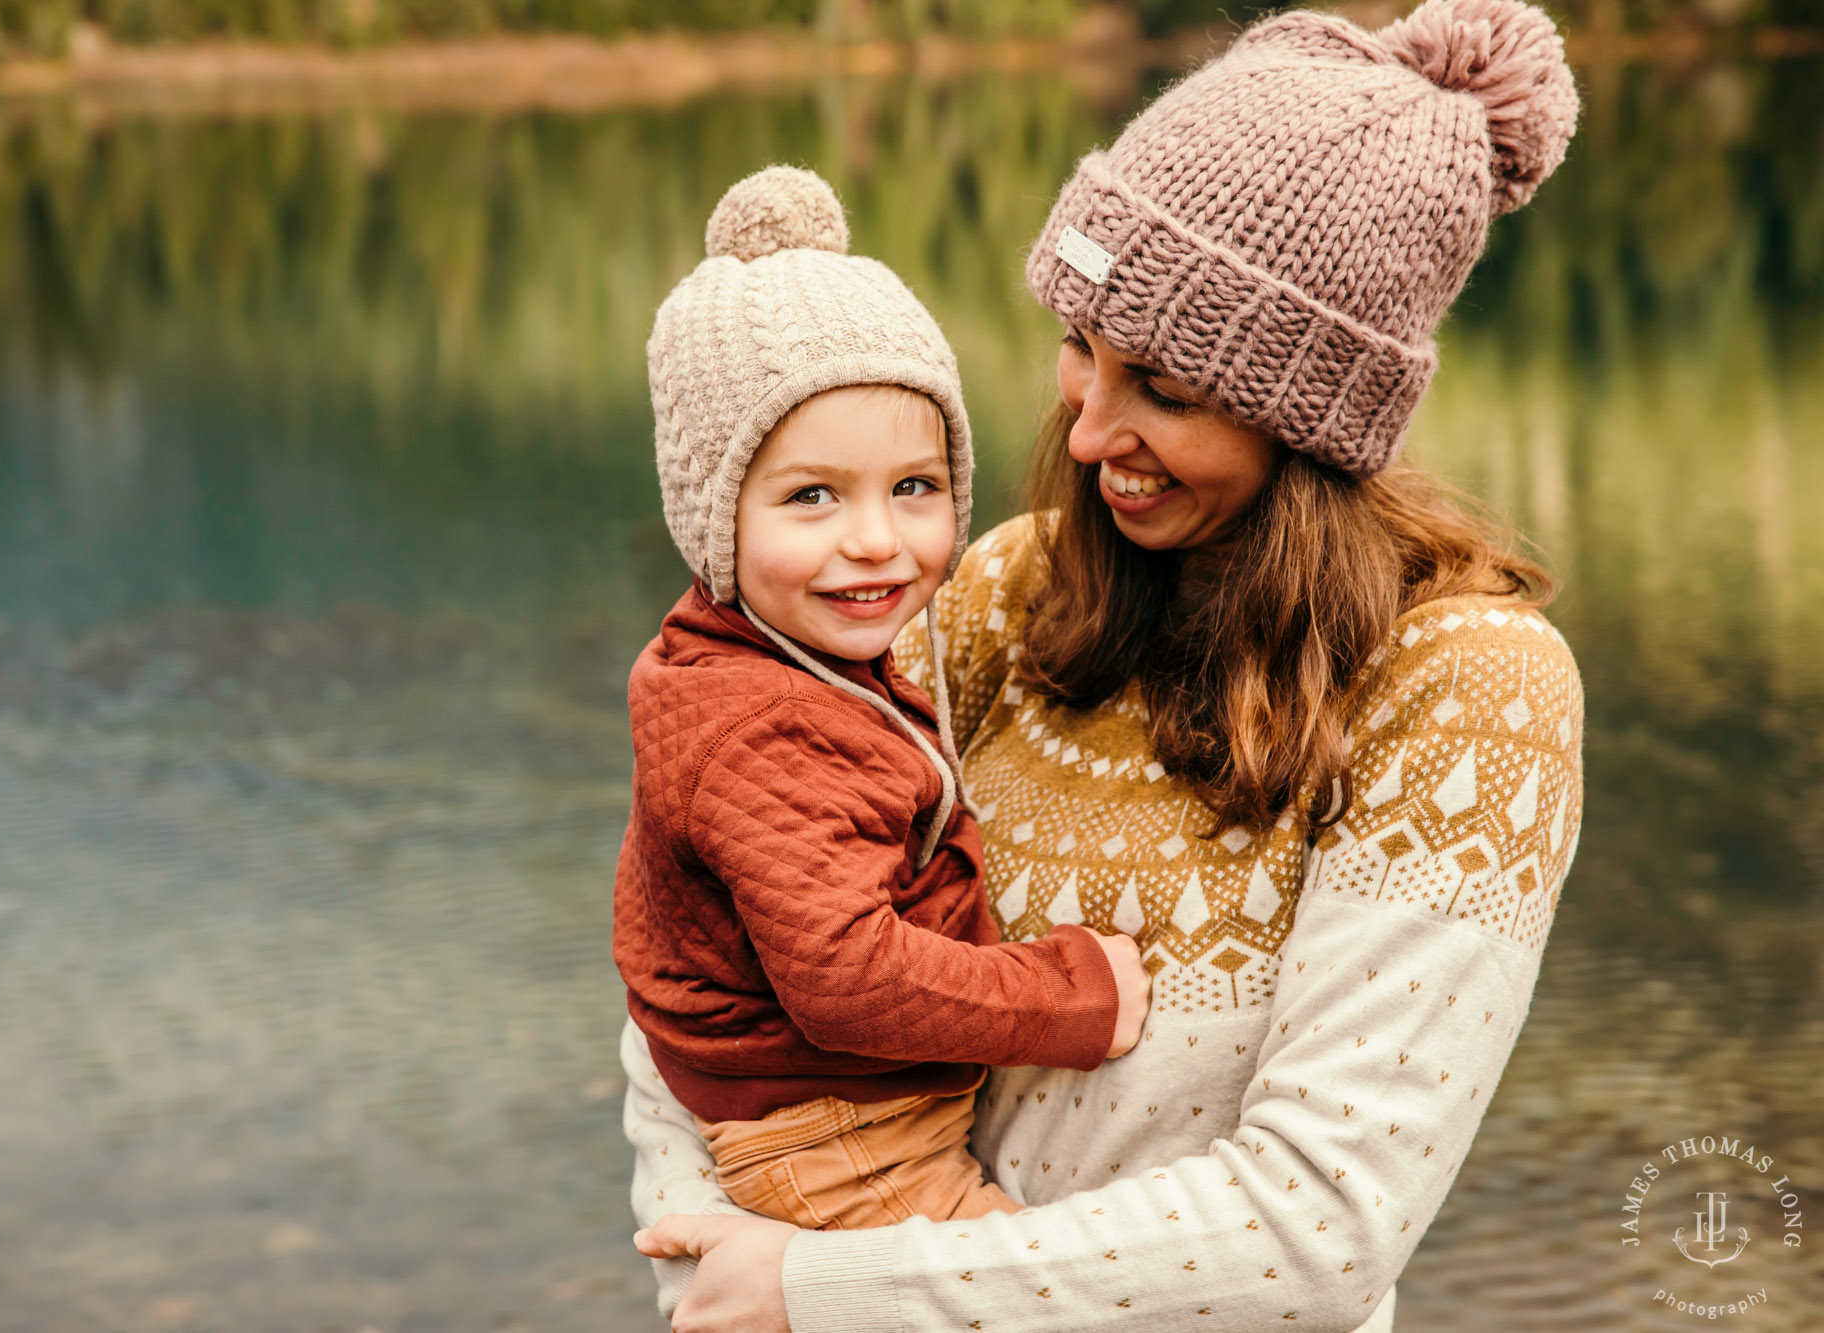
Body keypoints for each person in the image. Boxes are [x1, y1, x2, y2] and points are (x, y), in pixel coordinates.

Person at [625, 1, 1585, 1328]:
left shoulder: (1467, 688)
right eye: (1083, 347)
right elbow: (708, 924)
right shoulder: (1004, 591)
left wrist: (826, 1288)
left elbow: (1316, 1226)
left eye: (1167, 390)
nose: (1086, 430)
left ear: (1310, 418)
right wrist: (706, 1250)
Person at [615, 166, 1153, 1235]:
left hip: (824, 1114)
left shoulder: (771, 649)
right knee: (1003, 1294)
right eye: (810, 496)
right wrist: (1070, 996)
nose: (873, 538)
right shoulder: (763, 724)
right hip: (836, 1140)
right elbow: (846, 980)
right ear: (713, 517)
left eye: (913, 487)